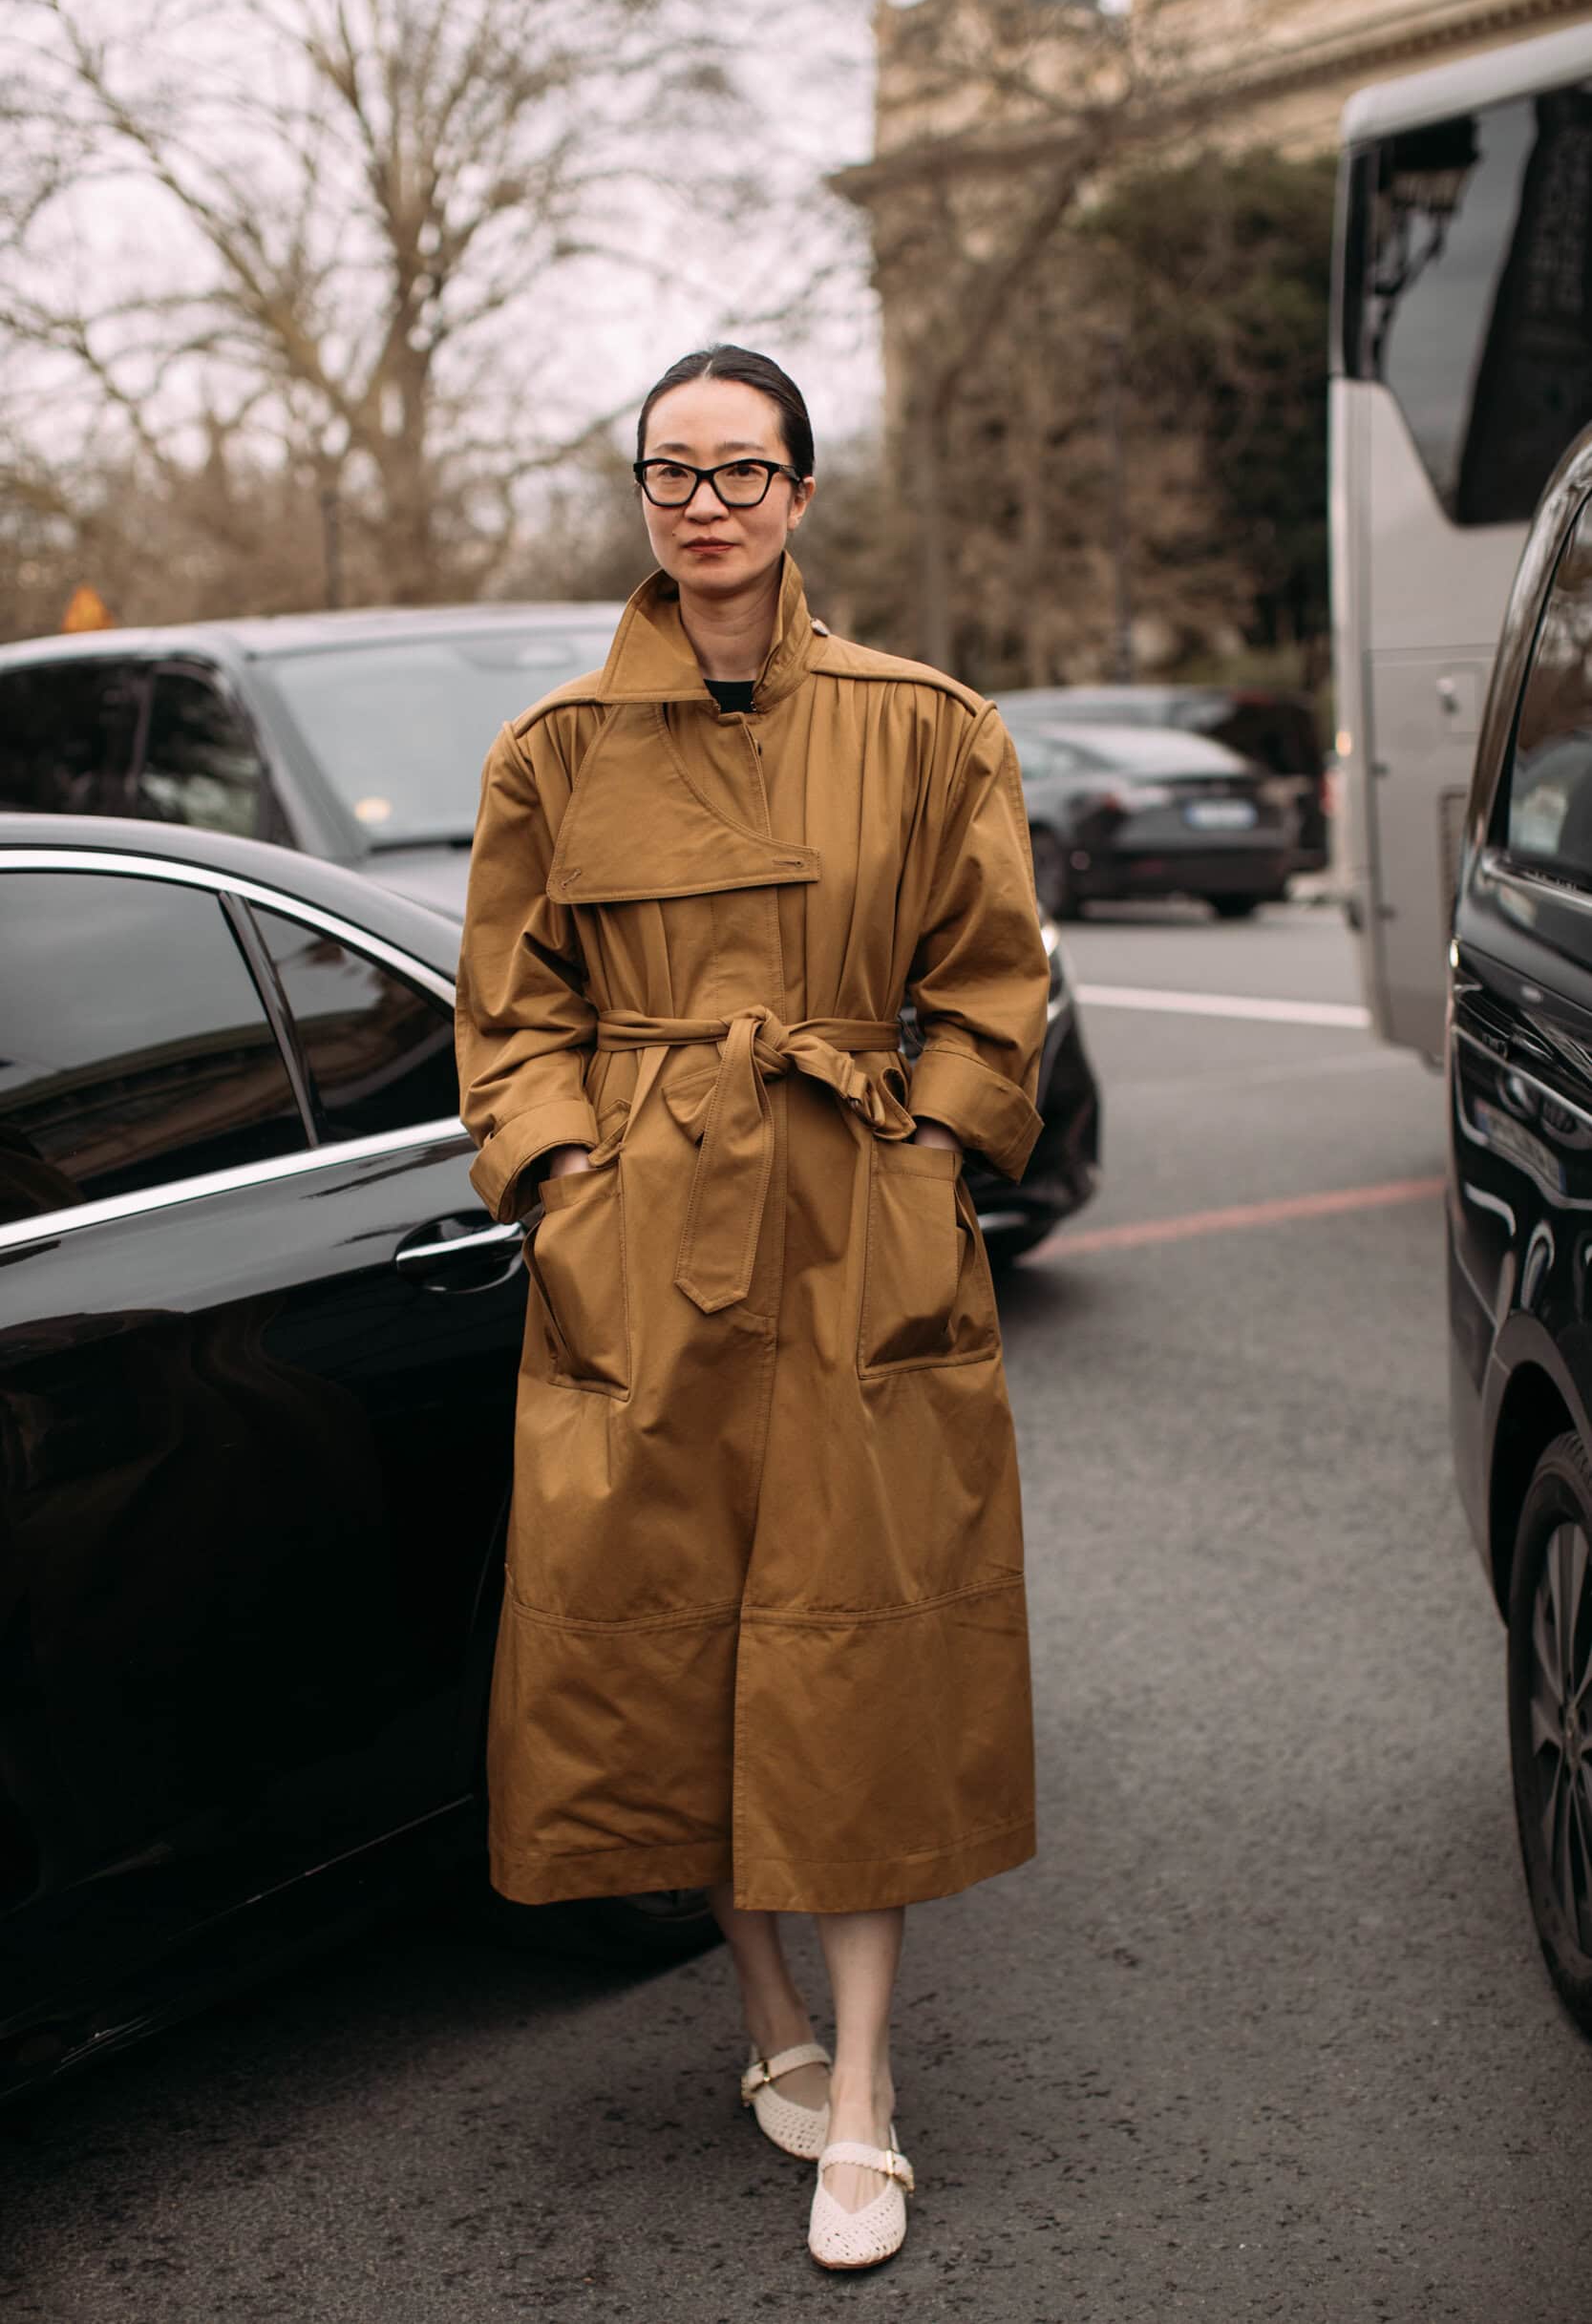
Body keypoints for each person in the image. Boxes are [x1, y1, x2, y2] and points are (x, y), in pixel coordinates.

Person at [455, 344, 1049, 2272]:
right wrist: (563, 1183)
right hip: (645, 1232)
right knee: (685, 1635)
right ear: (643, 496)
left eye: (743, 469)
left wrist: (928, 1171)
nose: (705, 503)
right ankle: (767, 2010)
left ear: (801, 493)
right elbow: (509, 1015)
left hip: (851, 1218)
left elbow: (990, 986)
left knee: (855, 1644)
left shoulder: (927, 723)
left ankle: (860, 2096)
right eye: (672, 471)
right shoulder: (553, 745)